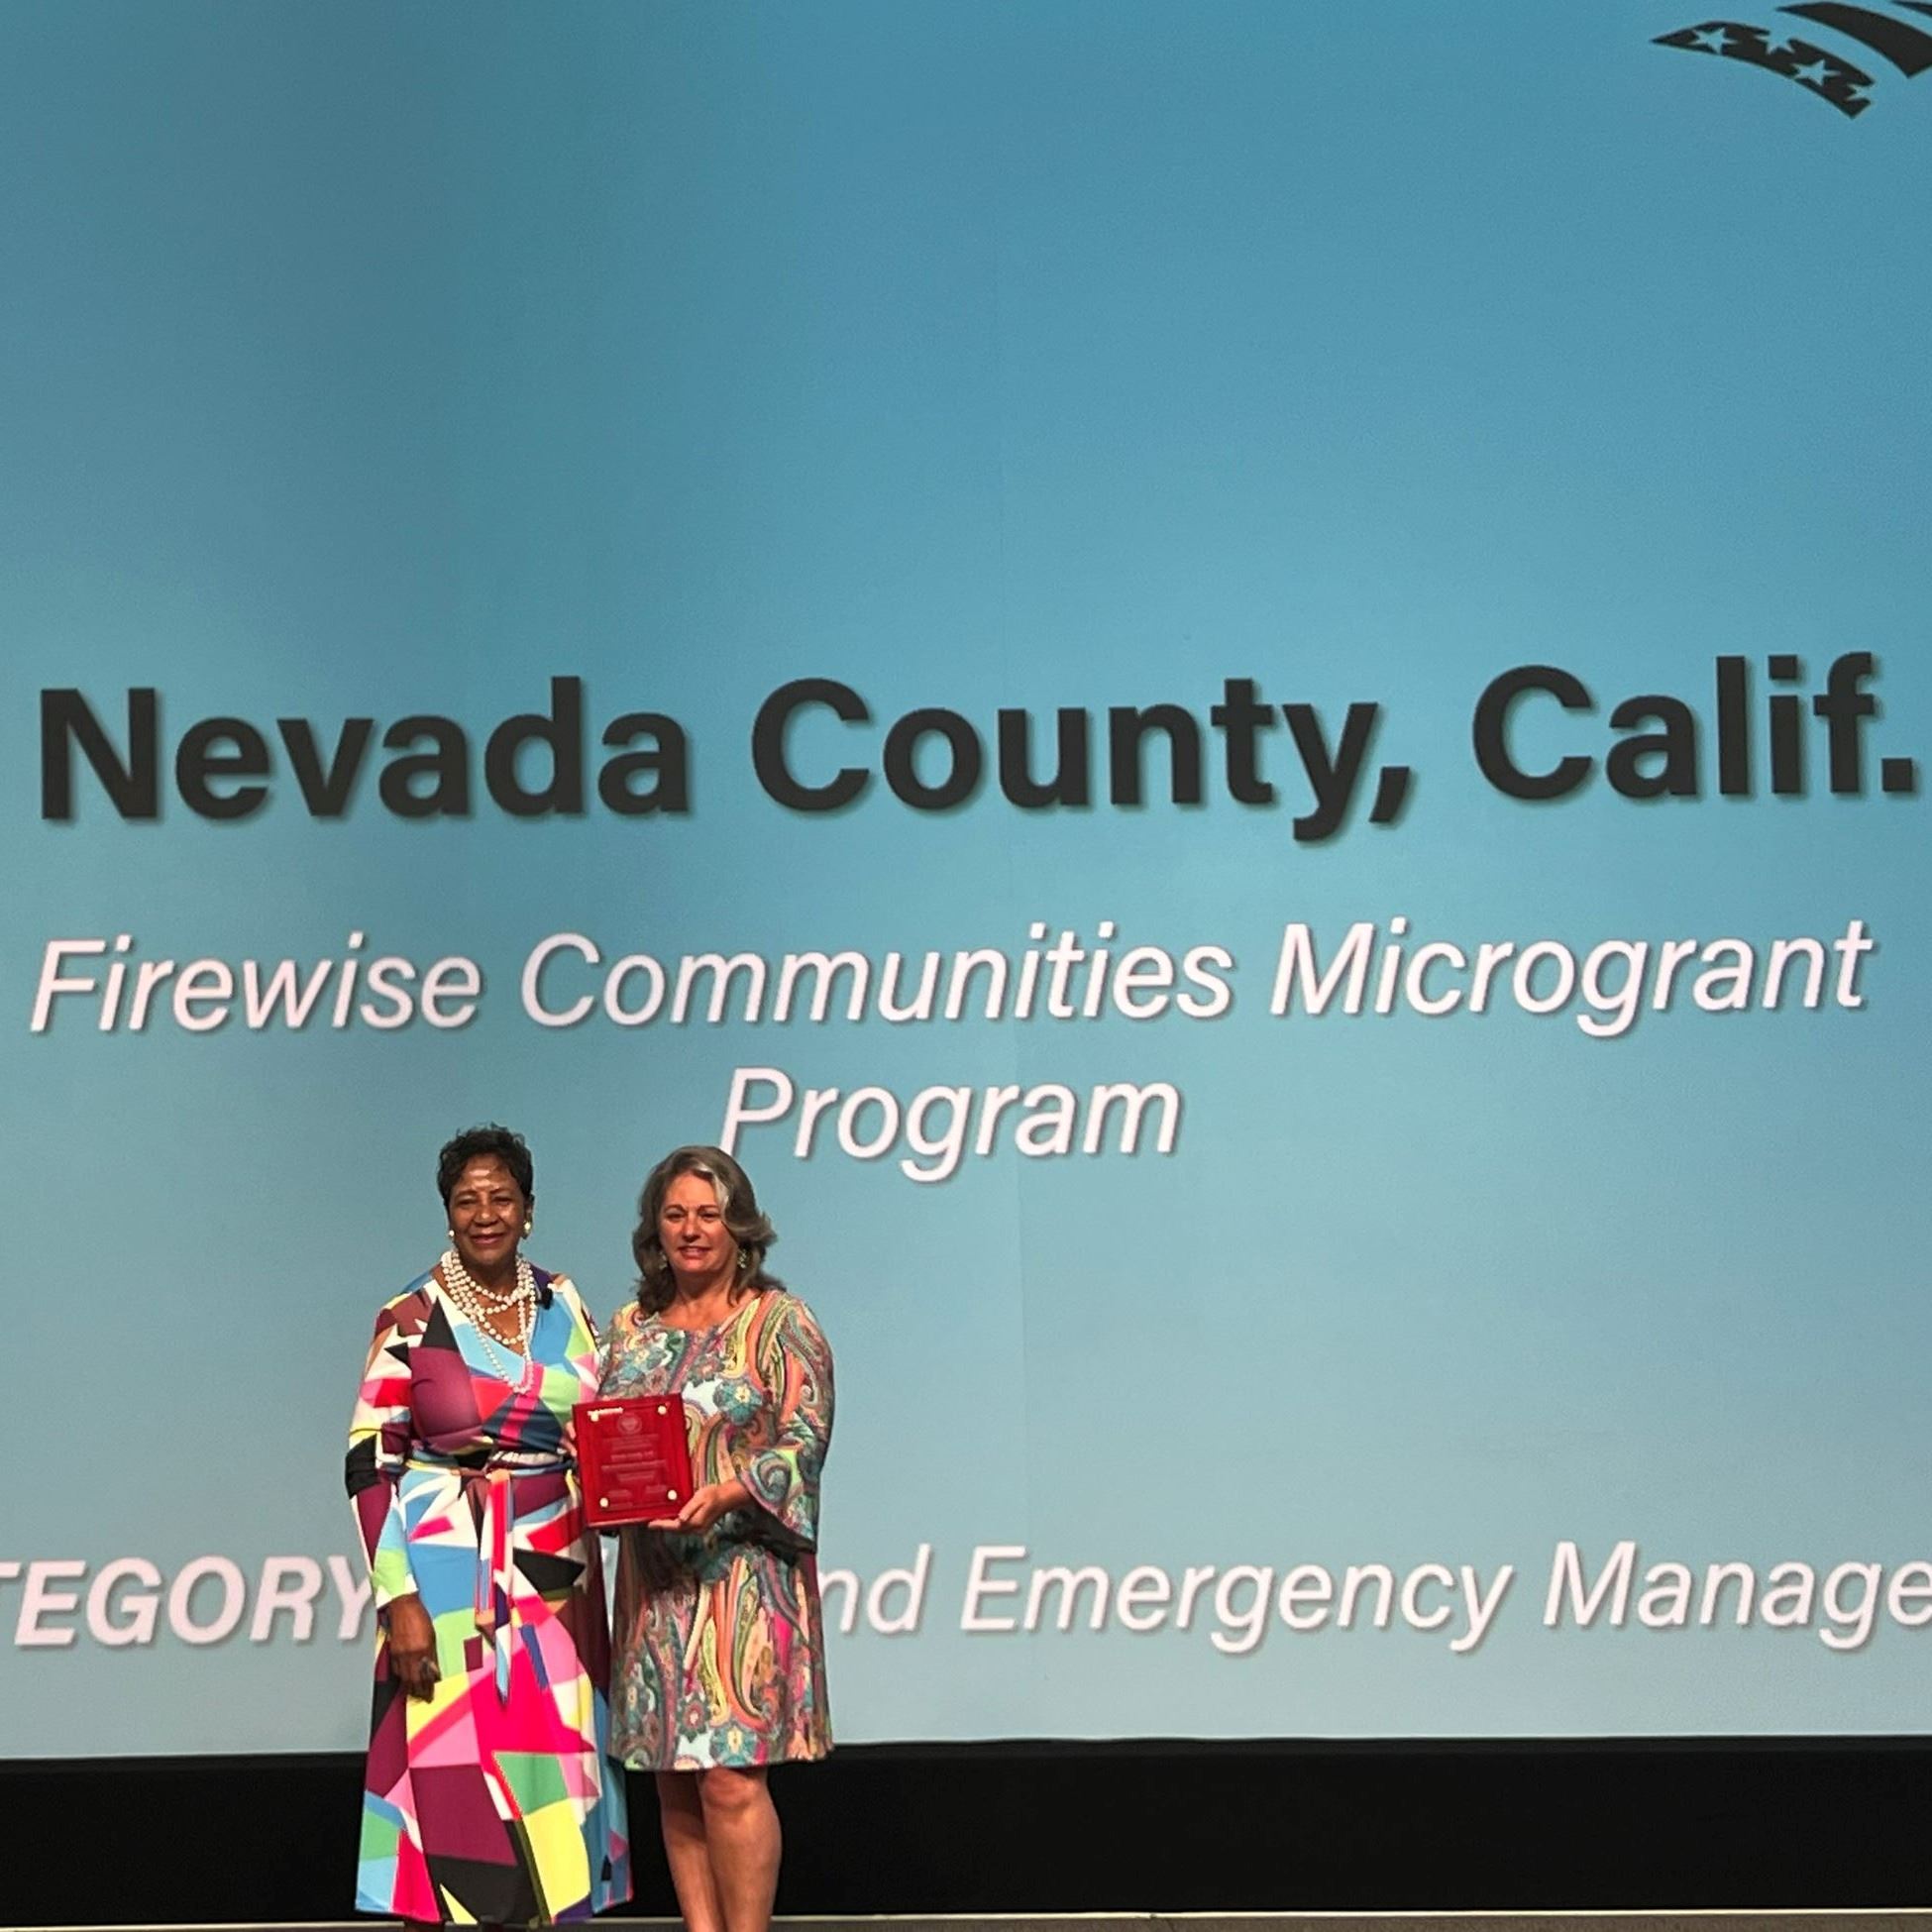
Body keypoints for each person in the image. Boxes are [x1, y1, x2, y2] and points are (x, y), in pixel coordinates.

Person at [346, 1124, 631, 1928]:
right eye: (467, 1199)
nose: (485, 1213)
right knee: (455, 1779)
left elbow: (604, 1422)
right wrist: (396, 1597)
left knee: (555, 1786)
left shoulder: (567, 1301)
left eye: (500, 1197)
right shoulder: (409, 1314)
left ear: (528, 1211)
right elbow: (369, 1463)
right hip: (443, 1580)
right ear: (447, 1213)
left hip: (558, 1578)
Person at [597, 1145, 833, 1932]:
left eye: (708, 1214)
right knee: (675, 1779)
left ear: (739, 1226)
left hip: (742, 1580)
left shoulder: (778, 1320)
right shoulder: (629, 1329)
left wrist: (733, 1489)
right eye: (675, 1215)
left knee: (731, 1781)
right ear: (654, 1229)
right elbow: (599, 1435)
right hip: (654, 1582)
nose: (691, 1231)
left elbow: (804, 1440)